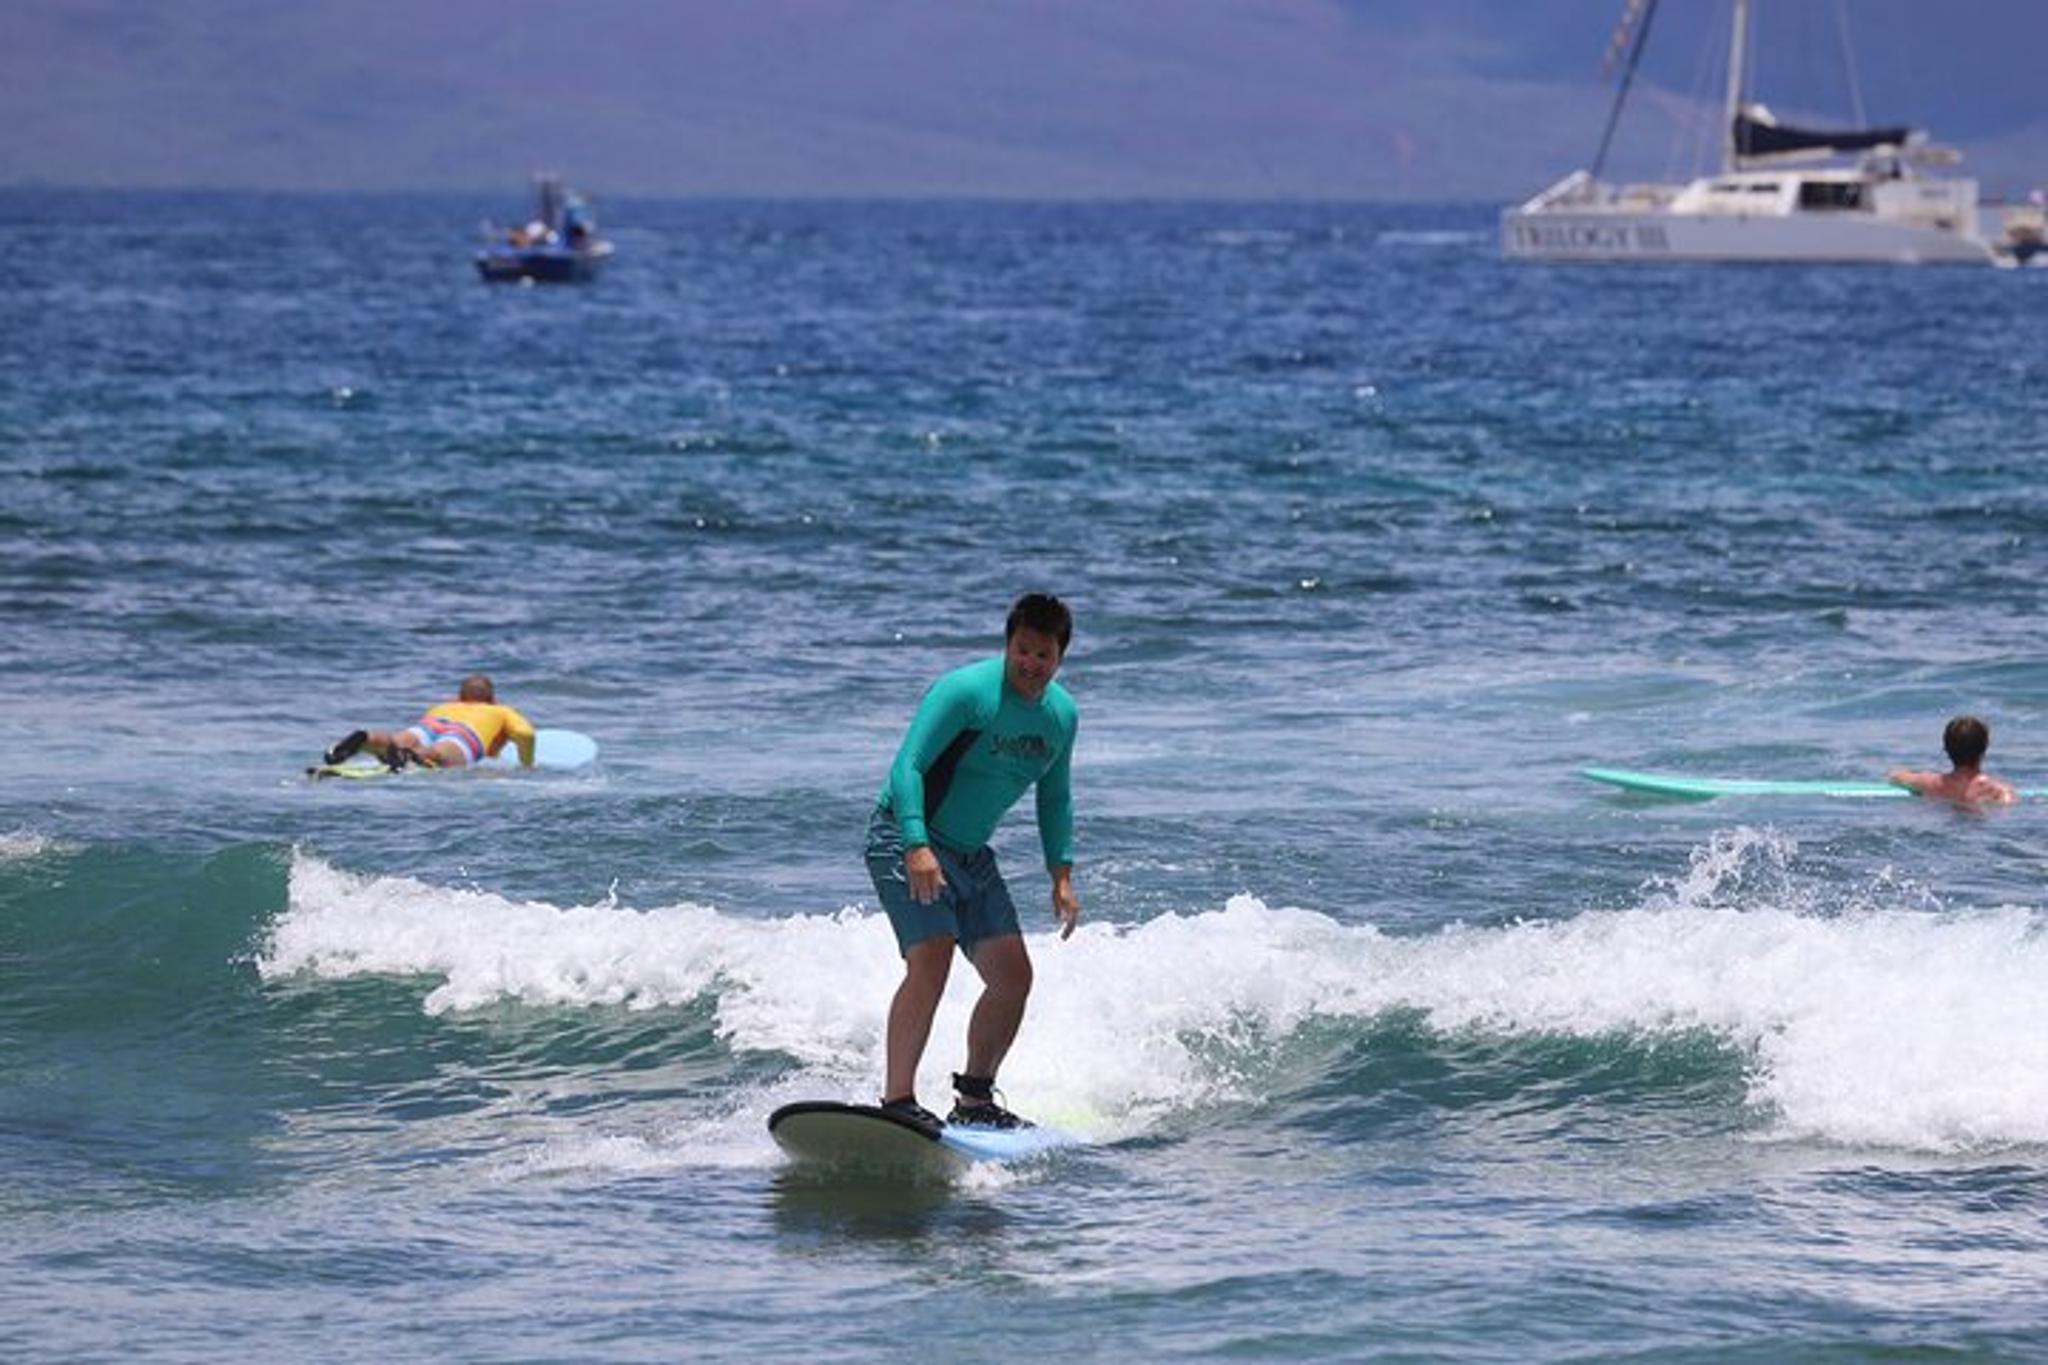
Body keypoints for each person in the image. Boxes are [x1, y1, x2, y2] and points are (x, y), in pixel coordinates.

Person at [865, 593, 1082, 1131]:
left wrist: (1062, 874)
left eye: (1043, 655)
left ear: (1061, 658)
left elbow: (1054, 797)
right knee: (932, 957)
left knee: (1012, 976)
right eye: (1022, 650)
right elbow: (907, 765)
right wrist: (915, 844)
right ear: (1008, 645)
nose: (1031, 664)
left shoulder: (1061, 716)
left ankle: (975, 1101)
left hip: (971, 855)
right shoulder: (966, 692)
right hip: (905, 836)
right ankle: (897, 1102)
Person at [323, 673, 537, 772]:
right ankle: (412, 757)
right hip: (466, 735)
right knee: (439, 751)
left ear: (459, 696)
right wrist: (526, 765)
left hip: (433, 723)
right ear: (491, 697)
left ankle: (365, 739)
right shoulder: (499, 710)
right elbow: (526, 734)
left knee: (399, 740)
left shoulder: (443, 706)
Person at [1888, 715, 2017, 808]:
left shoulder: (1930, 783)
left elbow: (1894, 776)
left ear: (1946, 749)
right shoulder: (2000, 791)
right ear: (1985, 748)